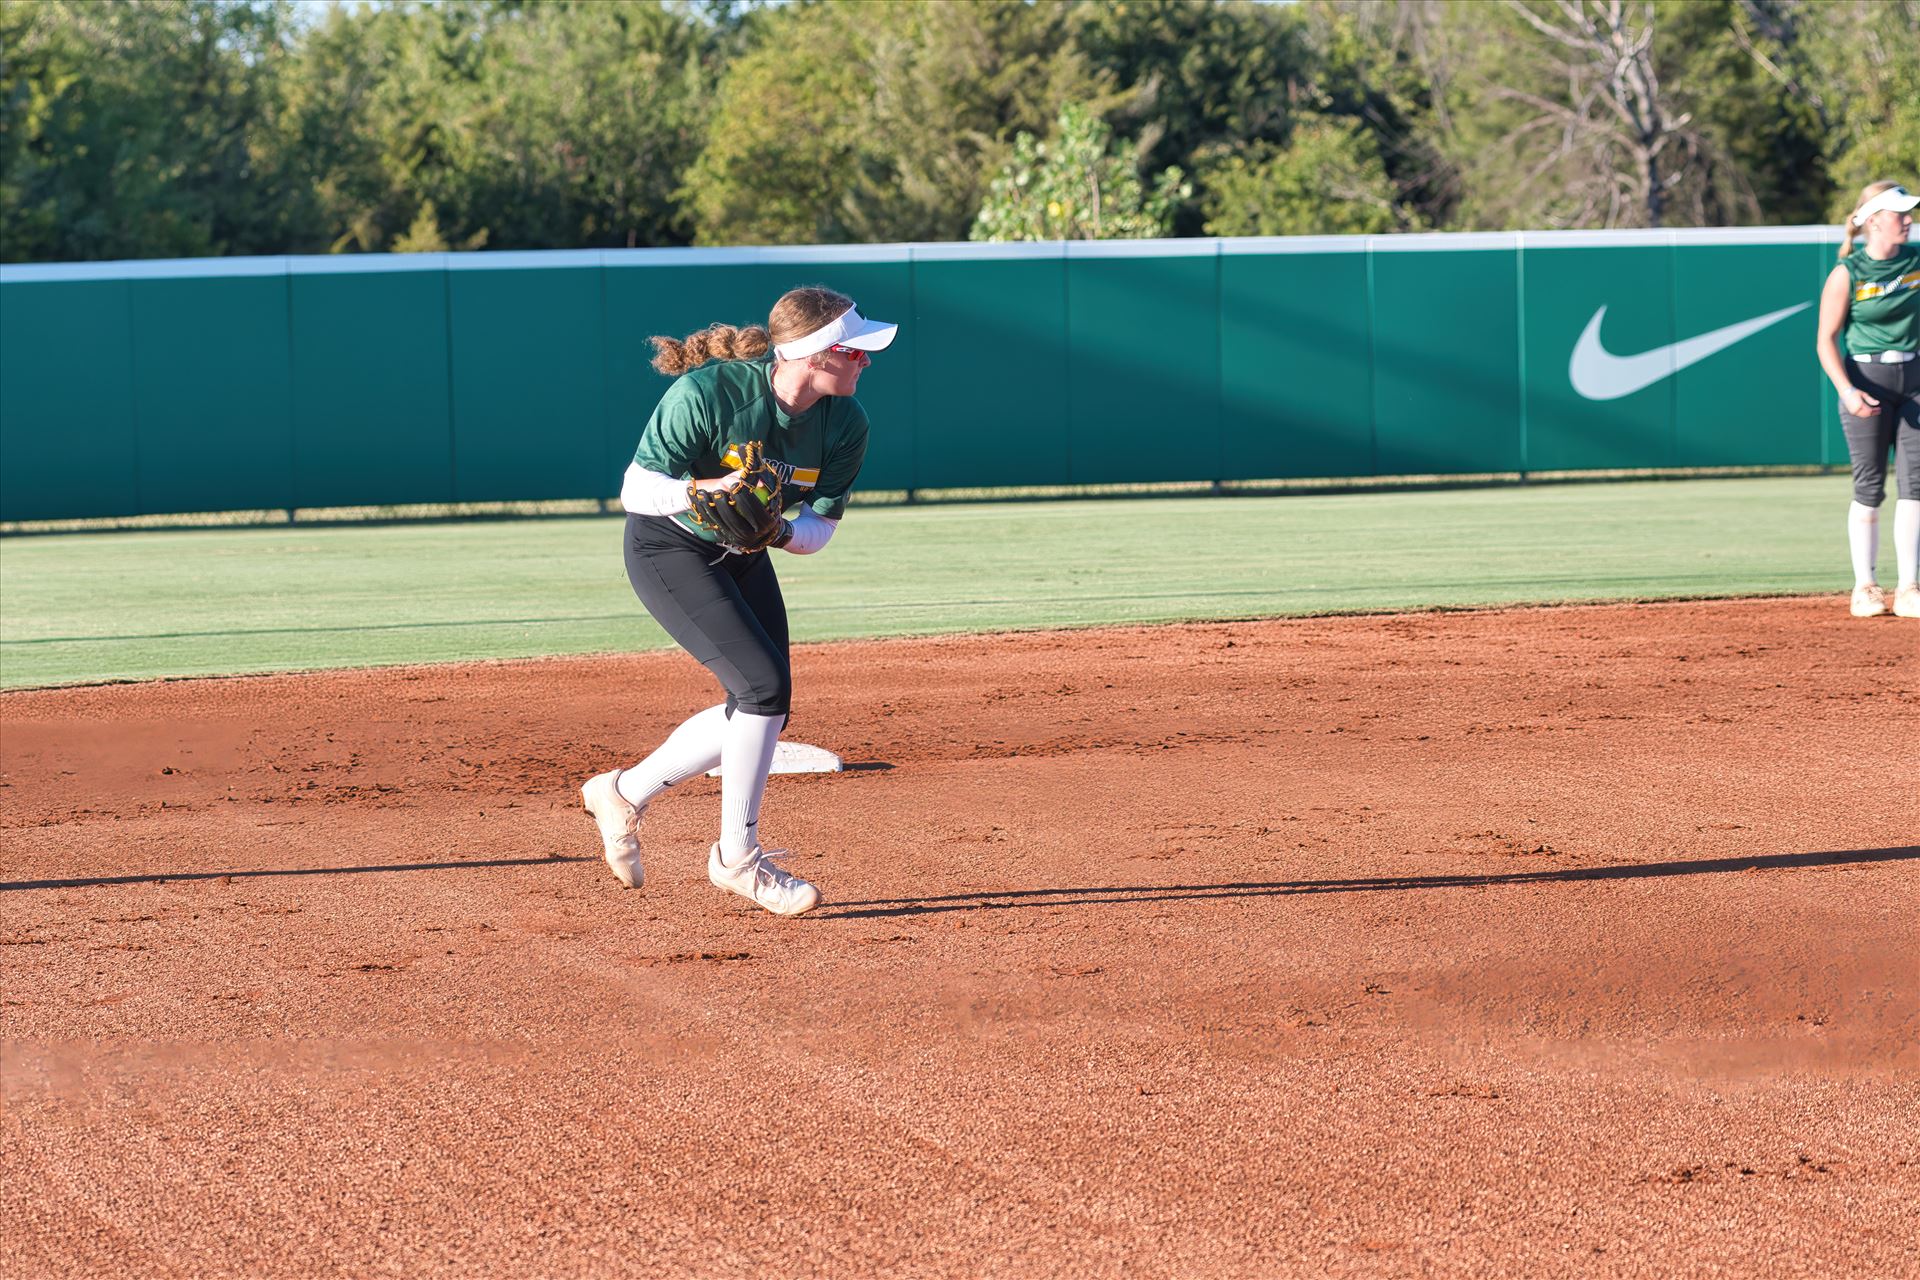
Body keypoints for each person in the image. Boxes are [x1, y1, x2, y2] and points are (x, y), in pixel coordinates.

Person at [578, 286, 896, 915]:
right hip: (669, 548)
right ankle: (737, 861)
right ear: (816, 355)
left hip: (745, 551)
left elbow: (819, 531)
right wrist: (708, 490)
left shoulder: (845, 424)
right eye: (854, 352)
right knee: (762, 690)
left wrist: (776, 530)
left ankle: (622, 792)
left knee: (764, 703)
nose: (866, 360)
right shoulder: (710, 394)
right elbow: (637, 491)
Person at [1815, 180, 1920, 619]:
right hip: (1867, 379)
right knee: (1869, 486)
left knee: (1916, 487)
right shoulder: (1849, 272)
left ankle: (1910, 587)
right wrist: (1847, 389)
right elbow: (1825, 340)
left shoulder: (1917, 261)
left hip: (1914, 379)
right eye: (1901, 214)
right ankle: (1866, 587)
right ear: (1874, 220)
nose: (1910, 220)